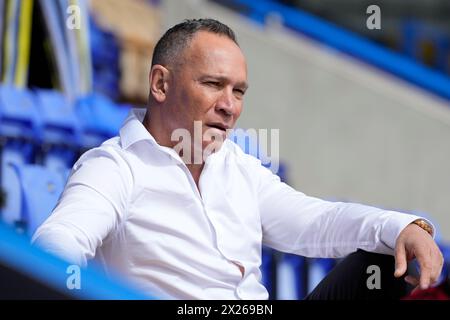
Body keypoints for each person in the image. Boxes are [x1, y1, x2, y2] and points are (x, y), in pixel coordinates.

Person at [32, 18, 443, 300]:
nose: (229, 106)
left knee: (386, 257)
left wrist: (406, 226)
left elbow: (317, 222)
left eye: (239, 92)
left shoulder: (238, 167)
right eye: (213, 85)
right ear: (160, 83)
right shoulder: (115, 167)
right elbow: (57, 245)